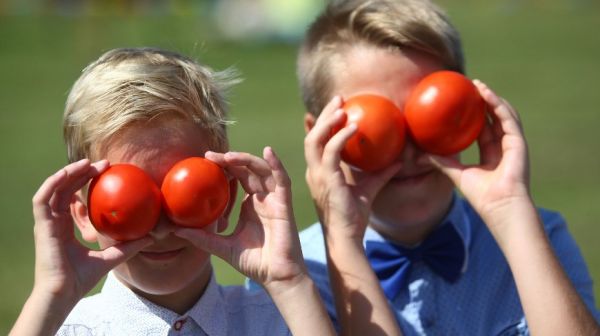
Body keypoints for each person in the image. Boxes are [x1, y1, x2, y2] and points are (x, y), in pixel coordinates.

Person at [297, 0, 600, 335]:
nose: (409, 151)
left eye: (434, 115)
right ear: (319, 137)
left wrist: (510, 210)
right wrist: (342, 241)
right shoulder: (299, 277)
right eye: (377, 129)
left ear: (472, 108)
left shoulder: (538, 237)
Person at [9, 47, 338, 336]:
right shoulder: (62, 329)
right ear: (84, 213)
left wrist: (290, 284)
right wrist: (51, 298)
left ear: (224, 202)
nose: (161, 228)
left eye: (188, 195)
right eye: (130, 204)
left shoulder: (283, 320)